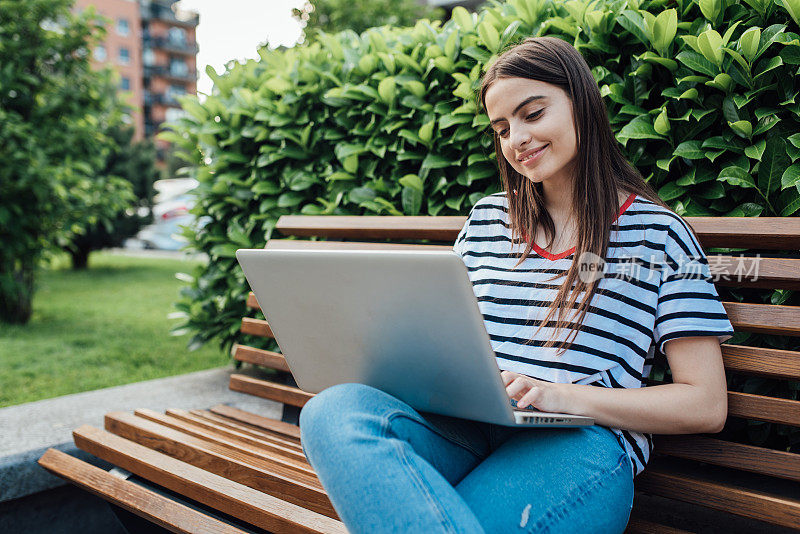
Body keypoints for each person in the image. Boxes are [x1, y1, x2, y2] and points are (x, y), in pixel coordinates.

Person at [298, 36, 735, 533]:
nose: (517, 140)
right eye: (502, 128)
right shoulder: (486, 220)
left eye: (533, 113)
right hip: (465, 428)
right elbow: (445, 339)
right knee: (334, 410)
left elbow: (705, 403)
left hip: (577, 445)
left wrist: (562, 396)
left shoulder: (659, 235)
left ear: (582, 104)